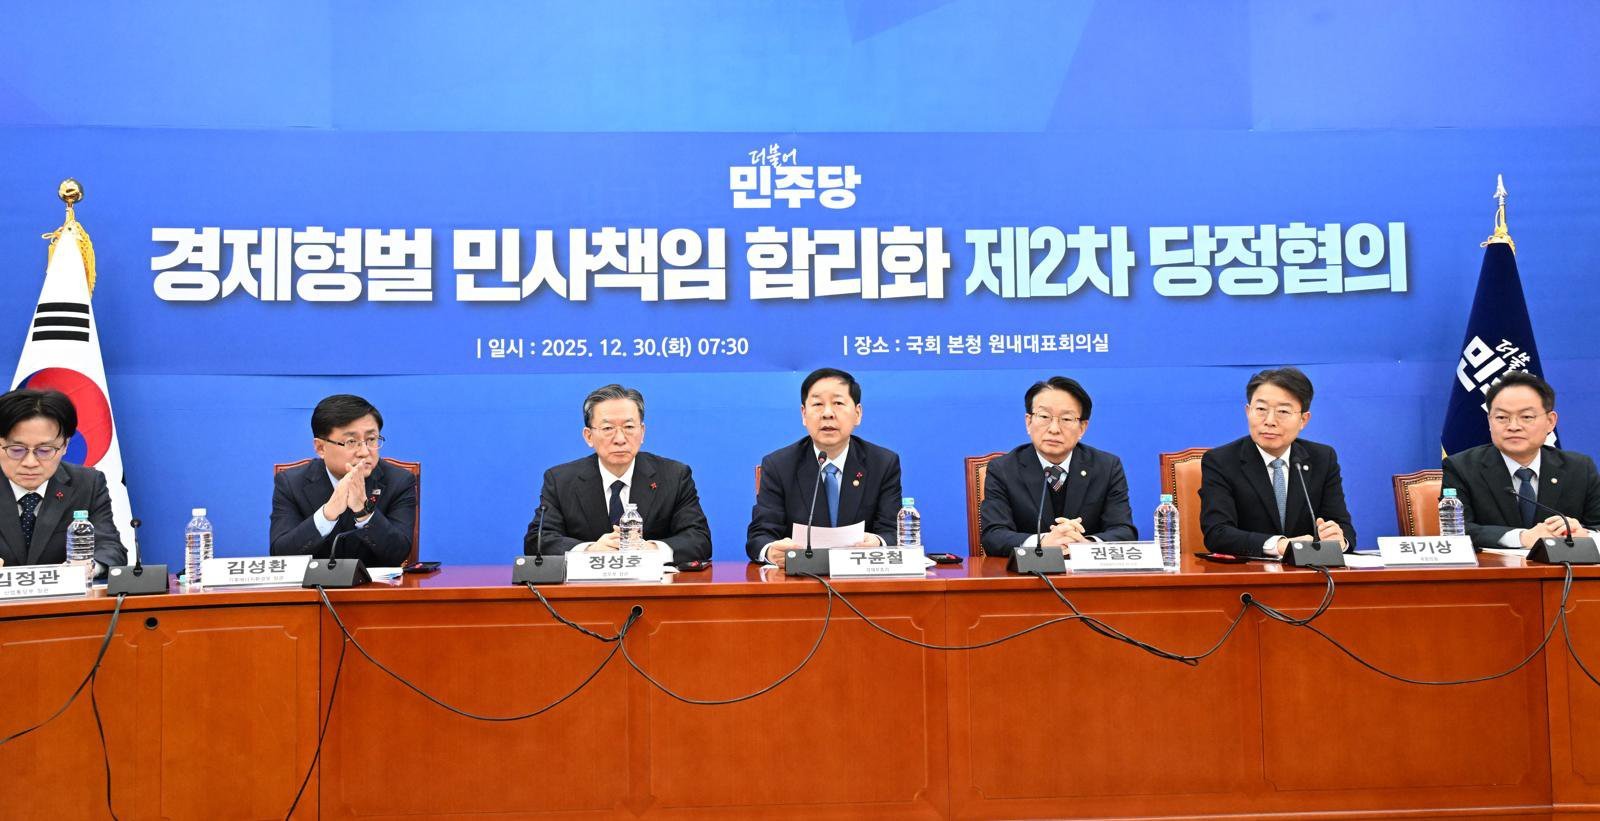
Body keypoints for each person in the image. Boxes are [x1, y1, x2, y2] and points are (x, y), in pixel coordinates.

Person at [524, 384, 711, 565]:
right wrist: (589, 551)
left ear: (642, 432)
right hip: (588, 585)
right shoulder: (561, 480)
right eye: (608, 428)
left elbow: (699, 539)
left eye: (629, 427)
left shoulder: (674, 476)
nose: (620, 439)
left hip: (653, 584)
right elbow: (537, 541)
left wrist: (651, 550)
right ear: (588, 436)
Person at [747, 367, 902, 566]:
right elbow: (760, 535)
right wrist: (771, 551)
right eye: (818, 404)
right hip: (800, 577)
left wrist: (878, 543)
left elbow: (892, 531)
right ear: (804, 414)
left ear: (857, 413)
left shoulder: (882, 463)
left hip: (861, 576)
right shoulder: (779, 465)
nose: (828, 413)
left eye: (838, 403)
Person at [1199, 367, 1355, 556]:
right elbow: (1217, 533)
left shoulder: (1322, 458)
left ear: (1303, 419)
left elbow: (1343, 528)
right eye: (1261, 409)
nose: (1270, 421)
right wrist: (1280, 545)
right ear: (1248, 411)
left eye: (1283, 411)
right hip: (1248, 570)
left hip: (1308, 570)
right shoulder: (1221, 461)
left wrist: (1339, 541)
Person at [1442, 371, 1600, 548]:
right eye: (1502, 417)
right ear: (1489, 421)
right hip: (1494, 566)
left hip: (1563, 566)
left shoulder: (1580, 468)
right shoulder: (1461, 468)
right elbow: (1457, 531)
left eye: (1526, 417)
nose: (1514, 426)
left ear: (1550, 421)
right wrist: (1522, 537)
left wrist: (1585, 535)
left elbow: (1597, 526)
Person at [980, 377, 1136, 555]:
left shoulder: (1107, 467)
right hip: (1030, 570)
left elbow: (1124, 531)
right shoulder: (1003, 469)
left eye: (1066, 419)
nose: (1054, 429)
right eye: (1044, 416)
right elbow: (994, 536)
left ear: (1082, 428)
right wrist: (1043, 542)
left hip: (1084, 570)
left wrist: (1086, 545)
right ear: (1028, 422)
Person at [270, 394, 416, 566]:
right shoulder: (291, 483)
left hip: (374, 583)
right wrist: (327, 515)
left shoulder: (399, 481)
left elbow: (399, 554)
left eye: (371, 439)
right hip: (314, 583)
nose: (364, 452)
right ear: (320, 447)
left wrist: (364, 512)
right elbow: (281, 556)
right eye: (351, 441)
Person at [0, 388, 125, 572]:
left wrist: (89, 567)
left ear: (65, 445)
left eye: (44, 450)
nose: (30, 463)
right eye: (16, 450)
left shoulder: (87, 483)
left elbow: (109, 548)